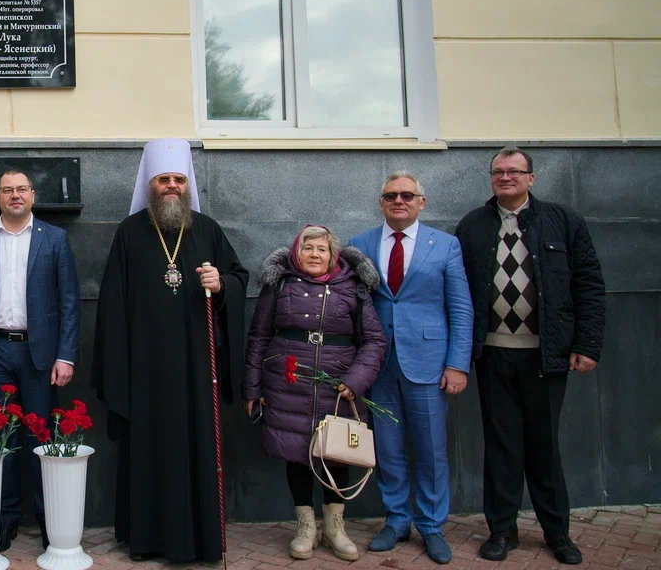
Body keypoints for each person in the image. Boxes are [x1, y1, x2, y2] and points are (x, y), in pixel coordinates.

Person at [92, 138, 249, 564]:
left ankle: (199, 538)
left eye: (179, 179)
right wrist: (118, 370)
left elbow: (238, 277)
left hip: (198, 368)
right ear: (151, 184)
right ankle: (147, 539)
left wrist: (222, 285)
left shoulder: (209, 229)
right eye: (164, 179)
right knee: (148, 451)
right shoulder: (129, 233)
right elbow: (112, 305)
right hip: (145, 369)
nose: (172, 187)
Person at [455, 147, 605, 565]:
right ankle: (502, 530)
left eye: (514, 171)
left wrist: (587, 345)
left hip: (548, 356)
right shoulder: (473, 225)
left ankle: (557, 532)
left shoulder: (562, 220)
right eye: (498, 171)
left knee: (544, 445)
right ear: (491, 178)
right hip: (493, 355)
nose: (506, 177)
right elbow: (459, 292)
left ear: (531, 178)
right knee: (501, 444)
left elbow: (589, 284)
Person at [349, 172, 472, 565]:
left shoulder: (446, 245)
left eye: (407, 195)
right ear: (381, 203)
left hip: (429, 364)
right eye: (390, 196)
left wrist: (457, 364)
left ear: (422, 201)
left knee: (431, 448)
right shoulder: (361, 244)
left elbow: (461, 308)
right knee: (387, 448)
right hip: (379, 364)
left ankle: (432, 526)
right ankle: (397, 519)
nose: (398, 201)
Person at [243, 226, 386, 562]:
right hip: (288, 383)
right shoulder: (279, 284)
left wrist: (356, 380)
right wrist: (253, 386)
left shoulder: (353, 286)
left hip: (338, 388)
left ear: (333, 255)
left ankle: (335, 527)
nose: (315, 255)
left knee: (337, 454)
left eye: (322, 249)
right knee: (298, 454)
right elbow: (258, 337)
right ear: (297, 252)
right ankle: (306, 526)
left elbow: (374, 341)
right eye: (308, 248)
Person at [0, 168, 80, 552]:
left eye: (22, 189)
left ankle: (50, 523)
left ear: (32, 195)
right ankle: (5, 520)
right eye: (7, 190)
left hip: (41, 354)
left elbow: (69, 303)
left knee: (41, 438)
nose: (15, 195)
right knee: (0, 440)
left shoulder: (55, 239)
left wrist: (66, 355)